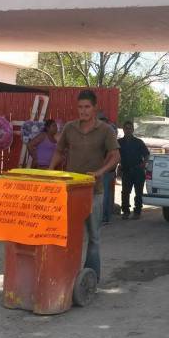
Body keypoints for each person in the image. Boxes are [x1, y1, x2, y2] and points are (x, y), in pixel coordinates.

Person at [50, 90, 120, 281]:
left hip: (93, 191)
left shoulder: (105, 130)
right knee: (68, 235)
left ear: (95, 108)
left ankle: (91, 279)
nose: (83, 111)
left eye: (87, 107)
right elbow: (59, 151)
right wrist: (50, 170)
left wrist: (100, 172)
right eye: (80, 107)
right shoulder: (70, 128)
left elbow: (115, 156)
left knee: (94, 237)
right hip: (71, 191)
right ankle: (67, 275)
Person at [118, 121, 150, 220]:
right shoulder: (119, 142)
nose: (128, 130)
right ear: (123, 129)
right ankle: (126, 212)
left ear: (133, 130)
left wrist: (143, 164)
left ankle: (137, 212)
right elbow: (115, 155)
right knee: (125, 193)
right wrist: (119, 166)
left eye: (130, 128)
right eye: (126, 128)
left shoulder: (138, 142)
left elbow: (147, 154)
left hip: (138, 171)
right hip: (126, 170)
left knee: (138, 193)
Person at [98, 114, 118, 224]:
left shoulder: (106, 137)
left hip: (105, 170)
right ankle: (106, 216)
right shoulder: (110, 135)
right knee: (107, 194)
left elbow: (109, 155)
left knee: (104, 194)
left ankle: (104, 217)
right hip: (109, 170)